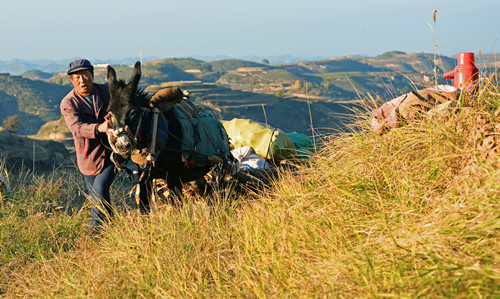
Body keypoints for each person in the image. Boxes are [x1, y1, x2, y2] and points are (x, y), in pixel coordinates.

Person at [60, 59, 115, 233]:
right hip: (89, 158)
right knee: (99, 199)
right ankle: (112, 230)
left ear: (92, 75)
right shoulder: (69, 103)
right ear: (71, 80)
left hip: (113, 153)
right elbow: (77, 128)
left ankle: (94, 234)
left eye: (85, 75)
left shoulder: (106, 91)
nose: (81, 80)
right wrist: (99, 128)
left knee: (99, 191)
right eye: (77, 77)